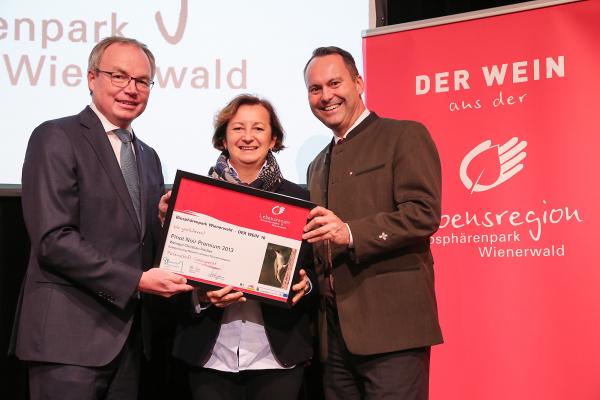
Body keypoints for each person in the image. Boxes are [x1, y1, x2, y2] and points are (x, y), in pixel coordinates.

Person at [9, 36, 193, 400]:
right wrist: (137, 280)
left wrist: (160, 223)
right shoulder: (56, 136)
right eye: (119, 76)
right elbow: (53, 240)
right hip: (67, 342)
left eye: (142, 81)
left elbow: (137, 241)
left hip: (128, 343)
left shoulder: (148, 156)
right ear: (92, 78)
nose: (131, 89)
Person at [302, 46, 443, 400]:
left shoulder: (404, 135)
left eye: (335, 83)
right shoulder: (317, 165)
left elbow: (424, 213)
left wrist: (350, 232)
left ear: (359, 83)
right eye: (315, 89)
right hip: (333, 336)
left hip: (392, 330)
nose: (326, 96)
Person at [166, 94, 316, 400]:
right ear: (222, 139)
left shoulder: (298, 200)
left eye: (259, 129)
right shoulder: (195, 196)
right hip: (211, 356)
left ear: (273, 139)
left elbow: (313, 267)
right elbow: (173, 270)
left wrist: (305, 284)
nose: (248, 137)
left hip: (277, 355)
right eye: (237, 129)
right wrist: (202, 295)